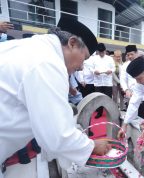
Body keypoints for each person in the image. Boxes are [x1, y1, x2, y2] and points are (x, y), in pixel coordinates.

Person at [0, 17, 111, 178]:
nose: (81, 67)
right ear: (72, 43)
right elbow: (57, 134)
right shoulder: (47, 62)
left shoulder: (32, 47)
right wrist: (91, 146)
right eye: (84, 58)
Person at [120, 45, 144, 118]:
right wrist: (126, 90)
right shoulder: (125, 66)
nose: (130, 56)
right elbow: (122, 79)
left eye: (132, 54)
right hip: (132, 94)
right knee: (134, 117)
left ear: (136, 53)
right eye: (128, 55)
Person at [91, 43, 115, 118]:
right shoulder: (94, 58)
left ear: (105, 51)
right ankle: (99, 112)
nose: (101, 54)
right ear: (98, 51)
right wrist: (94, 71)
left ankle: (109, 112)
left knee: (108, 97)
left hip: (107, 82)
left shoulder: (109, 58)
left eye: (103, 52)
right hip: (98, 82)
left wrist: (110, 71)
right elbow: (91, 68)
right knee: (98, 98)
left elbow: (113, 68)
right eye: (100, 52)